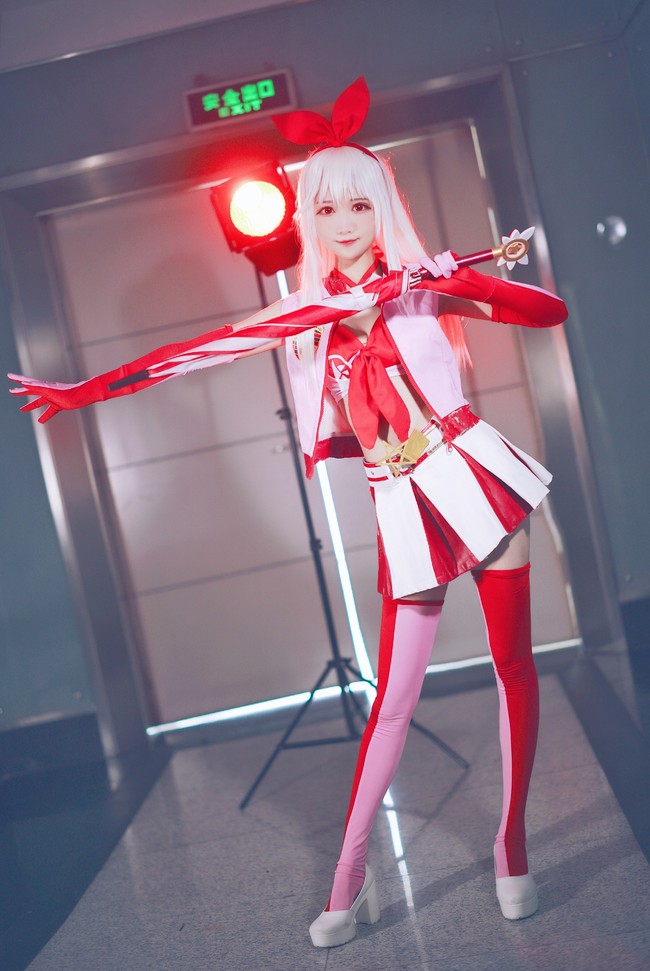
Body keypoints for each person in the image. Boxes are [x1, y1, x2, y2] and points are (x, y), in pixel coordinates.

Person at [8, 77, 567, 948]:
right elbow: (190, 354)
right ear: (309, 216)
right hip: (403, 502)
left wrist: (459, 279)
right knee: (392, 703)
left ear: (383, 207)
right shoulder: (304, 316)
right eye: (328, 207)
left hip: (476, 476)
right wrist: (83, 392)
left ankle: (511, 845)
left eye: (360, 204)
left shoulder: (423, 284)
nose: (345, 223)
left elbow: (548, 310)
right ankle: (350, 880)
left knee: (512, 668)